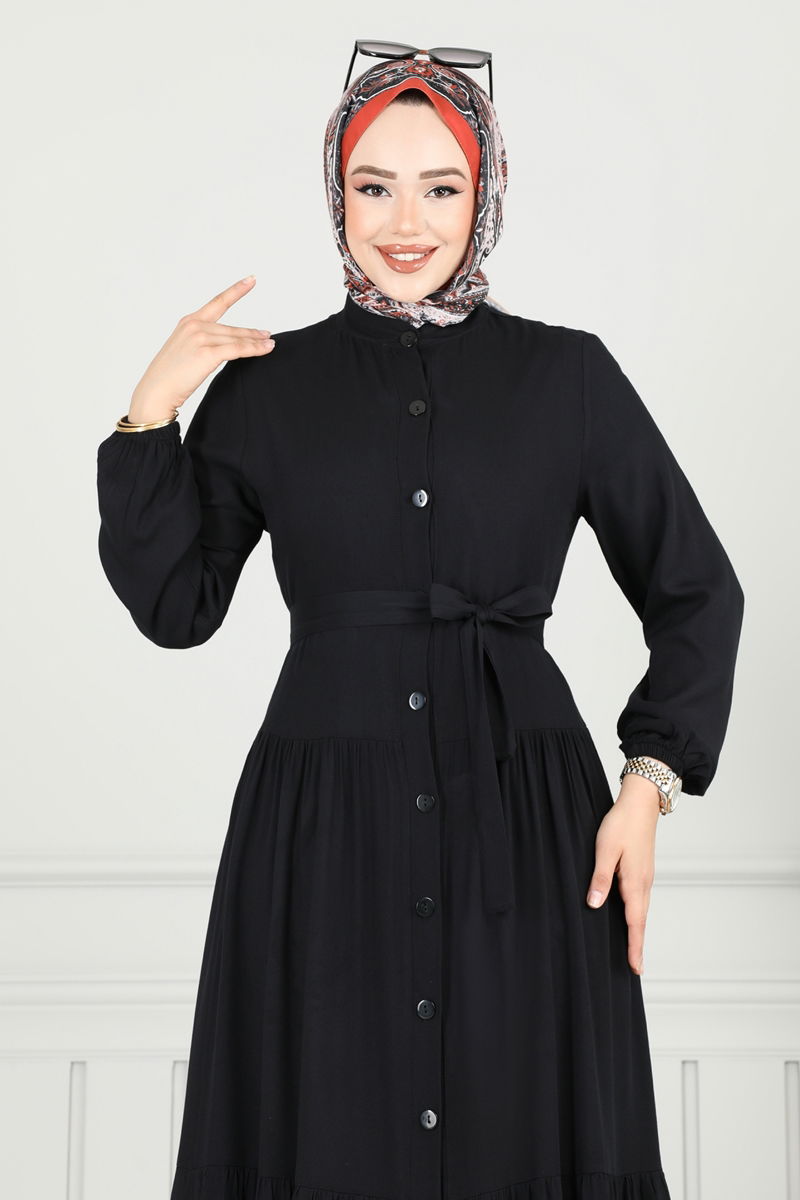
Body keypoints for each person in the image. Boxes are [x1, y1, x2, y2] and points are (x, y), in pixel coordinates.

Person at [96, 50, 744, 1200]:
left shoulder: (567, 377)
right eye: (374, 186)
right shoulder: (264, 385)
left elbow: (696, 588)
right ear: (335, 194)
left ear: (483, 189)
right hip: (320, 828)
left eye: (440, 187)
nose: (406, 223)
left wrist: (647, 785)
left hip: (526, 820)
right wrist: (150, 412)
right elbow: (176, 606)